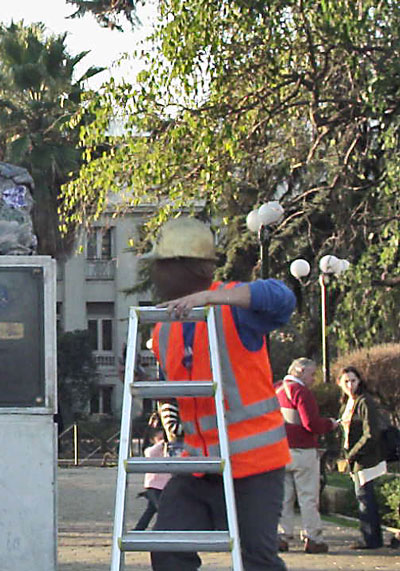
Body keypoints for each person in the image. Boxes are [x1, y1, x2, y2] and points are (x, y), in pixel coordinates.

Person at [147, 217, 295, 571]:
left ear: (190, 268)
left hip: (253, 466)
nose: (156, 276)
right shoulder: (163, 327)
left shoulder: (233, 309)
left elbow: (282, 297)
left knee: (257, 559)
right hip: (200, 466)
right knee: (167, 548)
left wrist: (212, 296)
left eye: (162, 266)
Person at [275, 358, 338, 553]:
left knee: (283, 498)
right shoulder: (301, 392)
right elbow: (310, 424)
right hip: (303, 451)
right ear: (300, 371)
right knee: (308, 497)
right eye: (312, 374)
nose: (313, 378)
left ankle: (281, 536)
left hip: (280, 450)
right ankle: (313, 538)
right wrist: (329, 424)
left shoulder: (276, 388)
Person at [337, 366, 385, 549]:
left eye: (353, 381)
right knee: (363, 496)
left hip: (365, 458)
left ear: (360, 381)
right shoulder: (347, 402)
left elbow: (371, 433)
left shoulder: (364, 402)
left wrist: (353, 453)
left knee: (365, 497)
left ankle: (371, 539)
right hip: (354, 457)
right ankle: (371, 537)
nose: (350, 385)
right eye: (346, 381)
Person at [134, 430, 171, 530]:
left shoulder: (168, 453)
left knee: (150, 510)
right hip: (154, 485)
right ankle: (157, 529)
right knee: (162, 509)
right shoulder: (151, 450)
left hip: (165, 486)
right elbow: (150, 453)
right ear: (152, 440)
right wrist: (162, 442)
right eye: (159, 438)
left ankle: (139, 529)